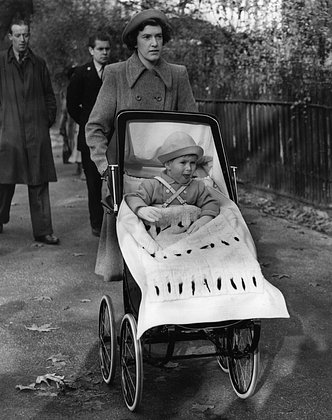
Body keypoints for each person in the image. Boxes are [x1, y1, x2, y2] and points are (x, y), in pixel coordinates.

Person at [85, 9, 198, 280]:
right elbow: (95, 128)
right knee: (127, 270)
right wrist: (106, 169)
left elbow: (193, 128)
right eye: (146, 37)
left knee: (172, 261)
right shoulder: (116, 74)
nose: (154, 43)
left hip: (167, 176)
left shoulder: (177, 75)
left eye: (158, 36)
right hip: (124, 174)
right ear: (135, 41)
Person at [0, 18, 59, 244]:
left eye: (26, 35)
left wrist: (46, 120)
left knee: (38, 180)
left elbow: (49, 96)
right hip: (9, 131)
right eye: (18, 35)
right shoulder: (1, 62)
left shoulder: (39, 63)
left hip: (35, 131)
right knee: (3, 180)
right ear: (10, 37)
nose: (22, 40)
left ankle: (43, 230)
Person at [126, 131, 220, 234]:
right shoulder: (153, 185)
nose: (189, 168)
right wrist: (141, 209)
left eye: (192, 163)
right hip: (159, 233)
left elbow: (211, 203)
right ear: (168, 165)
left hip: (188, 233)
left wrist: (204, 219)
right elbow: (133, 197)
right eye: (183, 163)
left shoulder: (198, 186)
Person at [67, 32, 111, 237]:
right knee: (93, 183)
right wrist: (87, 124)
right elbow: (72, 106)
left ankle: (115, 223)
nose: (104, 53)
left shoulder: (114, 73)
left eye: (107, 49)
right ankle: (97, 223)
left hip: (112, 138)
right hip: (89, 138)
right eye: (100, 49)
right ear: (91, 50)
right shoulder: (81, 73)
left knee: (114, 182)